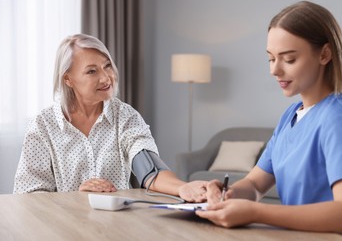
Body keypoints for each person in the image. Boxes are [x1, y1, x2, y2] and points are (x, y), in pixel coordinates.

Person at [196, 1, 342, 240]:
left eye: (288, 59)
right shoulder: (291, 116)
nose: (274, 70)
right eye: (270, 58)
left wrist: (256, 212)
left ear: (325, 54)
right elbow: (255, 185)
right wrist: (227, 194)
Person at [13, 34, 207, 203]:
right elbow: (28, 196)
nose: (106, 78)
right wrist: (75, 198)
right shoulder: (43, 125)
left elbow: (149, 167)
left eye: (107, 66)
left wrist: (183, 187)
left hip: (117, 226)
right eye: (91, 71)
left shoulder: (125, 116)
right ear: (68, 79)